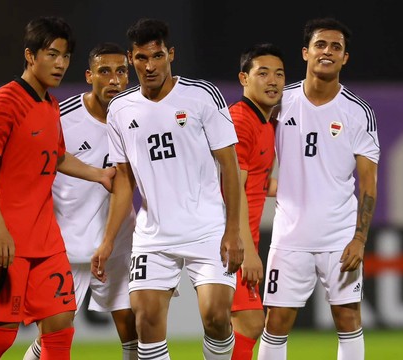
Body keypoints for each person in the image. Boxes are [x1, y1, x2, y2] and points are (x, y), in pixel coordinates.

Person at [91, 18, 243, 360]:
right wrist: (108, 239)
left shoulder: (201, 96)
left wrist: (233, 231)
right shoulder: (120, 109)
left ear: (170, 54)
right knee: (145, 320)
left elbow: (229, 167)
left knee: (217, 318)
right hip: (153, 235)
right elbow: (125, 180)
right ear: (131, 60)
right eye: (142, 58)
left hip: (207, 230)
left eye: (157, 56)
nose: (150, 66)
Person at [0, 17, 115, 360]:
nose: (61, 64)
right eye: (52, 54)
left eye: (65, 56)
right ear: (30, 56)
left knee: (61, 326)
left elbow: (58, 156)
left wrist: (98, 175)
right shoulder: (5, 101)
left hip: (47, 241)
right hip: (8, 241)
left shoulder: (50, 105)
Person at [257, 18, 379, 360]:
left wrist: (359, 238)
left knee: (347, 317)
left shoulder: (358, 113)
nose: (328, 52)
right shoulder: (281, 101)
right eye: (321, 45)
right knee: (277, 320)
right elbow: (252, 150)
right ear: (306, 53)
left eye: (336, 47)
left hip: (339, 235)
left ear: (345, 59)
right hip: (290, 233)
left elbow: (368, 181)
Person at [23, 42, 138, 360]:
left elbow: (128, 183)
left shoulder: (137, 119)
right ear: (89, 76)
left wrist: (111, 240)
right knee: (53, 336)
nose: (113, 80)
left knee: (133, 330)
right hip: (64, 244)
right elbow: (35, 177)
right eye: (104, 71)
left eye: (120, 72)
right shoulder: (62, 117)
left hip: (117, 242)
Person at [227, 43, 284, 360]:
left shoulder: (265, 122)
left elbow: (258, 182)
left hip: (239, 238)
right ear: (243, 78)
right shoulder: (241, 121)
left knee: (229, 330)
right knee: (250, 324)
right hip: (232, 242)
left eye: (278, 74)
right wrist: (247, 251)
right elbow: (233, 189)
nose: (272, 81)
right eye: (262, 73)